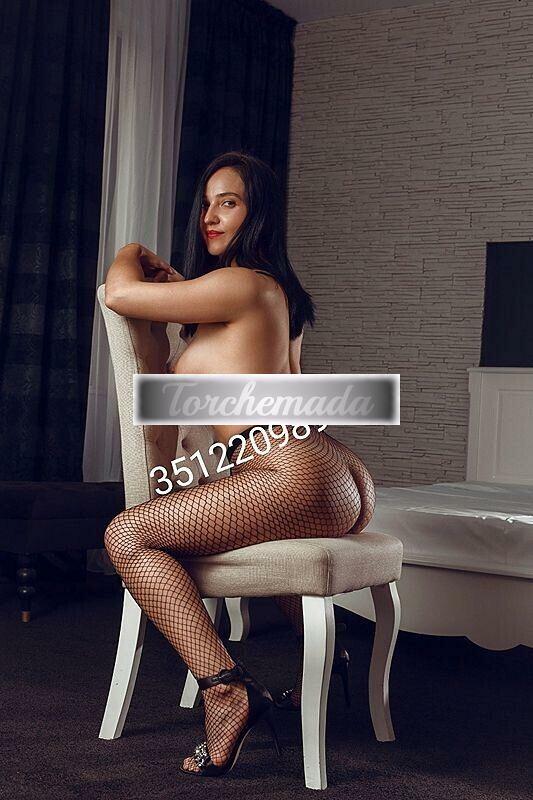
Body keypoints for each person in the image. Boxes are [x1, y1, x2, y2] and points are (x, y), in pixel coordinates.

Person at [103, 150, 376, 777]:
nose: (210, 216)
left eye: (228, 203)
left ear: (258, 214)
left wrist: (133, 250)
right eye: (206, 203)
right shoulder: (272, 293)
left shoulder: (241, 284)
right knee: (237, 520)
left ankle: (225, 690)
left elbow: (119, 292)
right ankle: (329, 666)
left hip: (289, 472)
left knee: (127, 535)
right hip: (333, 473)